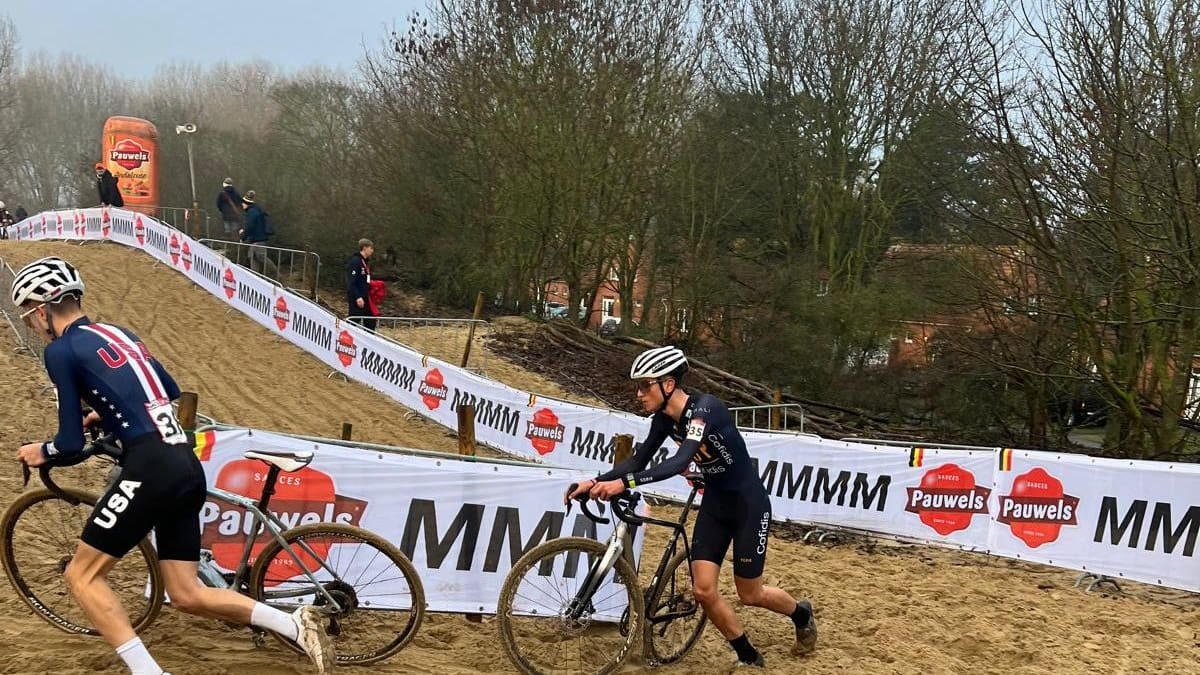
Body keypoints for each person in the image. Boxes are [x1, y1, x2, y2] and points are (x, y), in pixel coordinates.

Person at [10, 257, 334, 675]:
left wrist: (43, 450)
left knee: (81, 576)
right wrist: (108, 414)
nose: (33, 327)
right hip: (184, 463)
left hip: (151, 468)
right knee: (185, 593)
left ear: (42, 311)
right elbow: (168, 389)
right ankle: (292, 624)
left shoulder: (60, 350)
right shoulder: (119, 333)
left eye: (29, 318)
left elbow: (69, 443)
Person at [566, 346, 818, 669]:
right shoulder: (664, 420)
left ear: (668, 384)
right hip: (715, 504)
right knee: (703, 590)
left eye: (645, 385)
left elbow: (679, 461)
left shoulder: (705, 410)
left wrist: (625, 484)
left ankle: (801, 613)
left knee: (750, 594)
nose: (639, 393)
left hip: (748, 506)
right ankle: (748, 655)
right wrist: (593, 481)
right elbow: (637, 461)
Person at [237, 190, 277, 278]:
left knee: (261, 257)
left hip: (258, 240)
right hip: (256, 240)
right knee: (254, 258)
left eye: (243, 203)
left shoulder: (252, 212)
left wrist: (242, 235)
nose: (242, 204)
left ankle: (276, 274)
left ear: (246, 203)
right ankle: (255, 279)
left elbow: (250, 227)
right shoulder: (255, 210)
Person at [346, 238, 377, 331]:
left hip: (366, 297)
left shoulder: (366, 262)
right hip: (358, 298)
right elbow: (351, 282)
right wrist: (357, 297)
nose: (372, 251)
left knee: (371, 322)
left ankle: (369, 338)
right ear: (364, 248)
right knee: (353, 321)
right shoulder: (356, 261)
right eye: (370, 248)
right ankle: (345, 335)